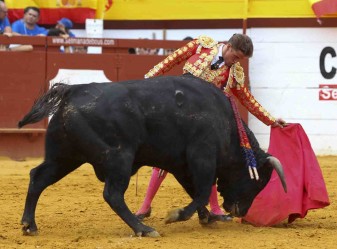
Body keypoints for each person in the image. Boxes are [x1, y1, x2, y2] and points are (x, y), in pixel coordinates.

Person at [135, 33, 287, 222]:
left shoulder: (235, 72)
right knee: (165, 159)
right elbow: (172, 59)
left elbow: (247, 100)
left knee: (211, 161)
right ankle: (145, 206)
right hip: (180, 112)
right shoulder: (202, 45)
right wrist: (149, 79)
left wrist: (271, 120)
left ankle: (215, 209)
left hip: (203, 122)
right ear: (229, 46)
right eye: (237, 57)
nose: (237, 62)